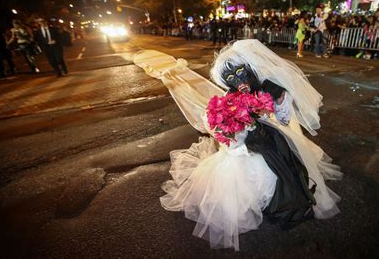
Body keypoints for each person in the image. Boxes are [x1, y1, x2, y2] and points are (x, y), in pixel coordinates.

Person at [140, 39, 342, 250]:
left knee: (283, 171)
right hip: (242, 142)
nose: (237, 81)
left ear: (250, 68)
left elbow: (283, 120)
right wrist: (232, 134)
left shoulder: (268, 88)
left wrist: (280, 101)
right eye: (230, 78)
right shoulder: (231, 95)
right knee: (239, 173)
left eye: (240, 72)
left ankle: (281, 202)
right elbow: (219, 122)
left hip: (270, 138)